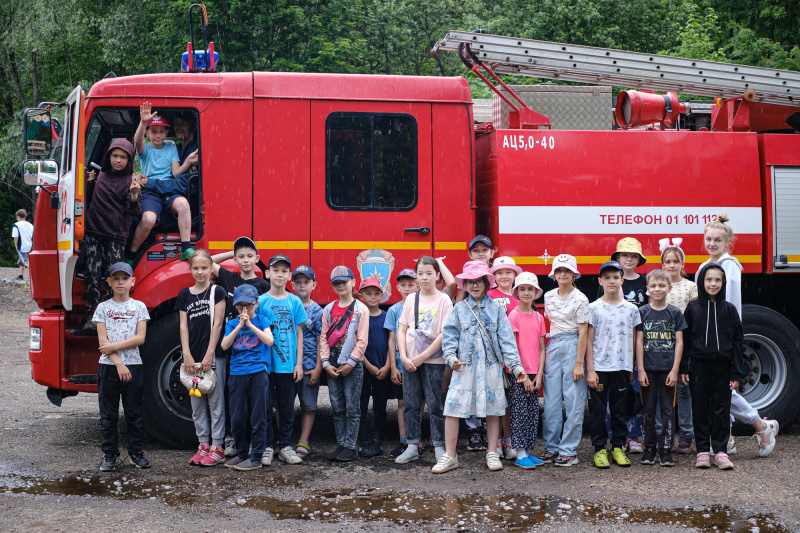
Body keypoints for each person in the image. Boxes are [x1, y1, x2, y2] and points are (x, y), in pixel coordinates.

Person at [433, 261, 526, 473]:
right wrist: (451, 358)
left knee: (494, 410)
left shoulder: (497, 311)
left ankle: (492, 452)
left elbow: (507, 342)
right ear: (465, 285)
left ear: (486, 283)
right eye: (470, 282)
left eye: (478, 282)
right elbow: (449, 338)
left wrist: (517, 368)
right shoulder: (459, 310)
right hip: (463, 368)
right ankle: (450, 455)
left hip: (492, 368)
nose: (474, 286)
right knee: (452, 409)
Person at [698, 215, 779, 457]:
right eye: (708, 239)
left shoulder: (729, 265)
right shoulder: (704, 267)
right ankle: (728, 437)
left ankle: (761, 427)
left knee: (722, 389)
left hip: (722, 338)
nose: (712, 243)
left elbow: (731, 305)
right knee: (716, 390)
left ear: (727, 242)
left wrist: (730, 339)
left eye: (717, 240)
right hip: (705, 338)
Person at [681, 263, 747, 469]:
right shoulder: (692, 308)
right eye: (709, 279)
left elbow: (738, 342)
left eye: (717, 280)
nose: (713, 284)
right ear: (702, 282)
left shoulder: (729, 309)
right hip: (698, 366)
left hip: (723, 367)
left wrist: (736, 371)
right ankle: (702, 450)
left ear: (723, 283)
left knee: (721, 408)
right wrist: (684, 367)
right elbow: (685, 340)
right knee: (700, 408)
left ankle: (720, 451)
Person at [210, 236, 270, 457]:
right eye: (241, 256)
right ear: (235, 259)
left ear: (257, 258)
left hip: (256, 351)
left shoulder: (265, 286)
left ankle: (261, 445)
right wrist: (230, 254)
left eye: (249, 256)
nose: (245, 260)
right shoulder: (229, 278)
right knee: (233, 396)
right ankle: (233, 439)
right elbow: (206, 260)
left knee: (258, 402)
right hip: (232, 349)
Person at [395, 257, 453, 465]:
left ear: (438, 275)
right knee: (410, 403)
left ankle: (439, 446)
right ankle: (412, 445)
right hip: (410, 360)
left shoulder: (444, 300)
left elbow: (443, 335)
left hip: (433, 360)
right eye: (420, 273)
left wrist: (421, 357)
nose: (425, 277)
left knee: (436, 404)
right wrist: (403, 355)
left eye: (429, 273)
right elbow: (402, 329)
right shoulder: (411, 299)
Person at [93, 262, 150, 471]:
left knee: (134, 414)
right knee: (108, 415)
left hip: (134, 366)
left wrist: (114, 348)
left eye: (124, 278)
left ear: (132, 282)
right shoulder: (103, 308)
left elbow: (140, 338)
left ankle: (136, 452)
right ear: (109, 282)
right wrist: (118, 363)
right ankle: (109, 455)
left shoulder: (139, 307)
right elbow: (102, 342)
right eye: (115, 278)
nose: (120, 282)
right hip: (108, 368)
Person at [586, 260, 642, 469]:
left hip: (622, 368)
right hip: (599, 369)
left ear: (622, 280)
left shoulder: (631, 309)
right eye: (607, 277)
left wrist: (632, 367)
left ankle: (618, 446)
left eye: (615, 277)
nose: (611, 281)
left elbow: (636, 339)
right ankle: (599, 449)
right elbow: (589, 342)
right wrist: (590, 370)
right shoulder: (593, 308)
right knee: (598, 411)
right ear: (600, 280)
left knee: (620, 410)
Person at [175, 250, 227, 466]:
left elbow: (218, 324)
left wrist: (209, 354)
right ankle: (203, 445)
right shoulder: (184, 295)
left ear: (210, 268)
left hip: (214, 356)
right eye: (196, 268)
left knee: (216, 403)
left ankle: (218, 447)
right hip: (192, 357)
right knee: (196, 403)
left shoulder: (218, 291)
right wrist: (186, 354)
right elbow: (183, 326)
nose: (200, 272)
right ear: (190, 269)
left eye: (204, 267)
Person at [82, 140, 142, 329]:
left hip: (116, 236)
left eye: (123, 157)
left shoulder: (130, 180)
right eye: (115, 156)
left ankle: (111, 317)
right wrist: (88, 183)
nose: (118, 160)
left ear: (129, 159)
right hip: (94, 232)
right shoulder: (100, 175)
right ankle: (91, 316)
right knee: (92, 273)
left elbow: (134, 210)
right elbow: (88, 198)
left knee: (114, 277)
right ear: (108, 156)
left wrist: (133, 194)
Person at [129, 102, 199, 262]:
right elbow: (137, 141)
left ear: (168, 132)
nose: (158, 135)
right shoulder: (145, 150)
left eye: (162, 131)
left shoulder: (172, 148)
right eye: (153, 131)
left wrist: (187, 162)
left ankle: (186, 247)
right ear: (147, 133)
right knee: (148, 219)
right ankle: (132, 254)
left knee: (183, 204)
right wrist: (143, 122)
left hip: (168, 192)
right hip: (150, 192)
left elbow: (176, 173)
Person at [598, 237, 648, 453]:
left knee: (635, 395)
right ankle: (613, 436)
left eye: (633, 255)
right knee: (613, 398)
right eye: (625, 255)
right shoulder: (609, 283)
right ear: (617, 257)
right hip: (613, 350)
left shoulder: (646, 282)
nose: (629, 259)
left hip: (638, 346)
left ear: (639, 259)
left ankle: (634, 436)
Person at [256, 254, 308, 466]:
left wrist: (298, 363)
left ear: (289, 276)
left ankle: (285, 445)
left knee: (287, 407)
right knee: (266, 407)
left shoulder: (294, 301)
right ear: (267, 273)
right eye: (275, 270)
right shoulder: (260, 301)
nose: (279, 274)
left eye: (284, 271)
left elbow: (299, 333)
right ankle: (267, 445)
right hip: (266, 366)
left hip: (288, 366)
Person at [539, 254, 589, 467]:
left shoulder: (581, 299)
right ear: (554, 274)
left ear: (573, 274)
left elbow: (583, 332)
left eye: (567, 271)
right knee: (550, 402)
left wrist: (579, 363)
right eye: (559, 270)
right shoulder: (549, 296)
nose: (562, 274)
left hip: (573, 344)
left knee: (574, 400)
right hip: (553, 344)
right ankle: (551, 447)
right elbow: (551, 323)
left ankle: (568, 450)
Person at [635, 269, 687, 467]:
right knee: (648, 409)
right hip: (647, 370)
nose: (657, 289)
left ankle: (665, 449)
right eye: (653, 286)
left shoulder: (675, 313)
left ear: (669, 288)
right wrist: (640, 369)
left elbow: (679, 342)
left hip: (667, 370)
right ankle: (649, 448)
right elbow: (639, 342)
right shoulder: (642, 313)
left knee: (667, 410)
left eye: (662, 285)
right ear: (647, 289)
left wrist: (675, 370)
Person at [220, 285, 274, 471]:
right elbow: (225, 345)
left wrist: (250, 324)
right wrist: (240, 326)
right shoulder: (232, 324)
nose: (245, 311)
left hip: (258, 372)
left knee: (258, 416)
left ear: (256, 304)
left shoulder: (262, 321)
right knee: (237, 417)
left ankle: (256, 457)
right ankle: (242, 454)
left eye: (249, 306)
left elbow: (269, 341)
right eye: (240, 306)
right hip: (237, 373)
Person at [320, 266, 369, 462]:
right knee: (337, 405)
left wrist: (351, 362)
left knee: (352, 406)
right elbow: (323, 337)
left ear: (353, 282)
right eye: (337, 283)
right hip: (332, 359)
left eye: (344, 282)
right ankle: (341, 443)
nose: (341, 286)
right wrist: (325, 362)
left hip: (352, 361)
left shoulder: (361, 309)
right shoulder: (328, 309)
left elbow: (362, 340)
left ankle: (350, 445)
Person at [457, 235, 497, 451]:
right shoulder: (467, 280)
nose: (481, 253)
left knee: (490, 387)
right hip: (472, 339)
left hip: (492, 341)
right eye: (476, 250)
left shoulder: (499, 276)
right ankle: (474, 429)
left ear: (493, 252)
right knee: (472, 386)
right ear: (470, 254)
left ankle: (491, 431)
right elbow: (458, 306)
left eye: (485, 250)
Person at [659, 239, 698, 454]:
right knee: (663, 392)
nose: (672, 265)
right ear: (662, 264)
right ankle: (663, 434)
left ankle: (686, 436)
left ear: (683, 264)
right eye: (668, 262)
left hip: (684, 344)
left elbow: (695, 316)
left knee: (683, 392)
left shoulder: (691, 287)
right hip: (662, 344)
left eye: (676, 261)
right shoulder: (660, 285)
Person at [507, 272, 547, 469]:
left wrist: (539, 374)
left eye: (530, 289)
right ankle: (519, 452)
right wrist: (523, 376)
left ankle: (527, 451)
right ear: (516, 292)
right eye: (522, 289)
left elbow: (541, 348)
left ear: (535, 292)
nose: (526, 293)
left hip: (534, 373)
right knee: (519, 413)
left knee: (532, 413)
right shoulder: (514, 316)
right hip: (518, 374)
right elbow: (512, 349)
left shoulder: (539, 318)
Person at [487, 256, 522, 460]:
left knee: (509, 403)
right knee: (494, 402)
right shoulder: (489, 296)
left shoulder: (521, 299)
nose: (504, 276)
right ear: (493, 276)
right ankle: (495, 442)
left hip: (513, 360)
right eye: (499, 273)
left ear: (515, 275)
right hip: (493, 359)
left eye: (508, 272)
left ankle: (508, 440)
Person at [385, 268, 419, 457]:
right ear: (397, 287)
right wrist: (392, 366)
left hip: (419, 362)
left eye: (411, 284)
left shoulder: (422, 307)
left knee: (418, 404)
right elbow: (391, 339)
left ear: (418, 286)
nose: (407, 288)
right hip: (400, 364)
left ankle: (417, 439)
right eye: (403, 285)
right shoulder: (393, 310)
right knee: (402, 403)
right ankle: (403, 440)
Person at [291, 265, 323, 458]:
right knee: (283, 403)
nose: (302, 285)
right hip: (287, 364)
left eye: (306, 282)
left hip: (310, 365)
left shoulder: (318, 311)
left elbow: (321, 342)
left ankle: (304, 440)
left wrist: (319, 367)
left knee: (308, 404)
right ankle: (284, 438)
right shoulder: (288, 304)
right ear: (292, 284)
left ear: (314, 284)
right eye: (299, 282)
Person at [358, 277, 392, 457]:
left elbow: (390, 344)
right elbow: (357, 343)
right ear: (361, 295)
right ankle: (363, 440)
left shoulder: (387, 317)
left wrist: (387, 365)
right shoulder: (359, 316)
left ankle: (378, 438)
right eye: (368, 293)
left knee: (380, 406)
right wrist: (368, 365)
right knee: (361, 405)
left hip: (383, 368)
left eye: (376, 293)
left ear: (383, 295)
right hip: (364, 368)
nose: (372, 297)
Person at [12, 209, 34, 281]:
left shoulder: (16, 225)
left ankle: (36, 275)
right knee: (22, 260)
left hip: (21, 246)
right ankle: (21, 276)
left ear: (18, 216)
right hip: (29, 245)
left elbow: (16, 236)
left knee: (25, 262)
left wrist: (16, 244)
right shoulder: (30, 225)